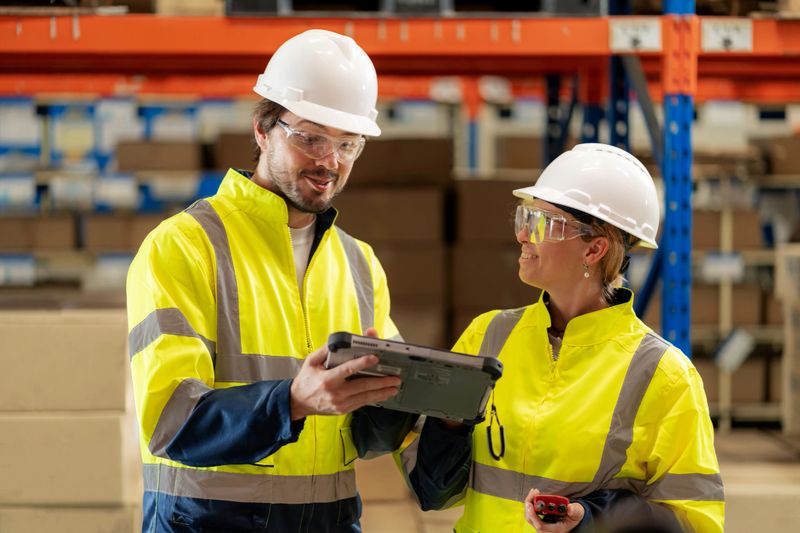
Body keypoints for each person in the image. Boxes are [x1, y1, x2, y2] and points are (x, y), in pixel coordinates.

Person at [126, 29, 416, 532]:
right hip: (205, 523)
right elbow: (171, 419)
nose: (330, 162)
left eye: (348, 144)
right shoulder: (184, 246)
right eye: (310, 137)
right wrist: (293, 401)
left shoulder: (359, 263)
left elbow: (364, 434)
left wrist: (416, 400)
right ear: (263, 130)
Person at [408, 143, 725, 532]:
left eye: (544, 222)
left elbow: (696, 522)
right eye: (525, 217)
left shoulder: (663, 374)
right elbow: (433, 492)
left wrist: (593, 519)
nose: (524, 234)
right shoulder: (488, 336)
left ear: (594, 249)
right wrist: (448, 429)